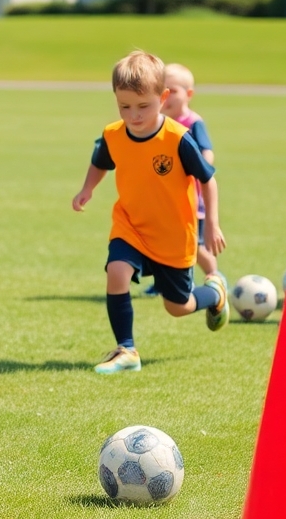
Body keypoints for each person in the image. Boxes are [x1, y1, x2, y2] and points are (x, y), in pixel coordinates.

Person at [72, 51, 229, 374]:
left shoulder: (177, 138)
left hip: (174, 234)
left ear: (163, 97)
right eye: (124, 106)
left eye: (143, 106)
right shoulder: (113, 134)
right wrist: (88, 188)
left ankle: (214, 293)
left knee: (178, 306)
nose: (134, 115)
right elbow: (100, 161)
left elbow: (208, 180)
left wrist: (211, 223)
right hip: (131, 225)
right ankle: (126, 350)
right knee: (116, 272)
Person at [142, 63, 216, 297]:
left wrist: (199, 169)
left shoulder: (193, 122)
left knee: (194, 245)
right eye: (163, 89)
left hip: (190, 199)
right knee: (160, 243)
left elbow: (206, 152)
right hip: (164, 198)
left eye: (173, 90)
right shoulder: (158, 123)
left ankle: (214, 276)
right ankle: (162, 282)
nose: (167, 95)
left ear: (189, 94)